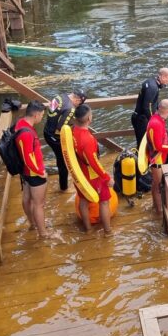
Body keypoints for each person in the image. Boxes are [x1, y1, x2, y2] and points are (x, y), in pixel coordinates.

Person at [15, 100, 54, 238]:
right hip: (33, 172)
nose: (42, 117)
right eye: (42, 115)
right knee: (39, 204)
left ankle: (33, 223)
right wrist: (41, 173)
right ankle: (43, 233)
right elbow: (28, 158)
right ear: (36, 115)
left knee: (27, 198)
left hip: (25, 172)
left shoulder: (20, 123)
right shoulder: (27, 133)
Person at [72, 105, 114, 234]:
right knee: (104, 202)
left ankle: (88, 229)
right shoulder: (88, 139)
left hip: (78, 173)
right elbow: (94, 163)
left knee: (83, 200)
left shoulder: (72, 131)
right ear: (89, 118)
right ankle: (108, 231)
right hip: (92, 176)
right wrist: (107, 177)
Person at [131, 67, 168, 192]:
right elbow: (147, 107)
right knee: (144, 146)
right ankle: (142, 173)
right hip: (142, 120)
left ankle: (144, 170)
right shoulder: (153, 87)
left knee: (143, 145)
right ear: (163, 76)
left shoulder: (151, 82)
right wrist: (155, 122)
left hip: (140, 118)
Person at [145, 99, 168, 219]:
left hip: (157, 156)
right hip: (156, 159)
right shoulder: (156, 123)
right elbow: (157, 146)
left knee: (155, 184)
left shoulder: (157, 118)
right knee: (157, 186)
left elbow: (162, 137)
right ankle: (159, 212)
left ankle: (155, 207)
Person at [43, 89, 86, 191]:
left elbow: (50, 109)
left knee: (60, 158)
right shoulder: (70, 109)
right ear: (78, 100)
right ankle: (63, 187)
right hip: (55, 137)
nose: (78, 106)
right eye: (79, 103)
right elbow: (61, 127)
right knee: (62, 163)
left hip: (47, 131)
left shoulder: (60, 96)